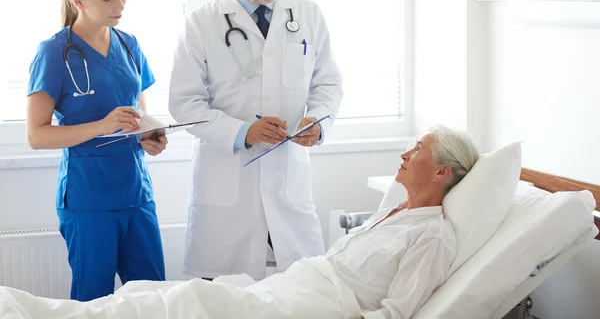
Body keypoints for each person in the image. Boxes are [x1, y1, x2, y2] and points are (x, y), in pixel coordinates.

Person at [0, 125, 479, 319]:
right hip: (298, 284)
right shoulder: (393, 211)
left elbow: (396, 313)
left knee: (188, 300)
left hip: (316, 307)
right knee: (152, 294)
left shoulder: (432, 234)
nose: (404, 152)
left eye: (417, 150)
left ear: (442, 172)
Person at [169, 0, 344, 280]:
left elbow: (327, 82)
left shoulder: (307, 14)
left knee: (303, 289)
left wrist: (319, 120)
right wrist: (243, 132)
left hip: (287, 179)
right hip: (228, 184)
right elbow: (184, 105)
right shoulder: (202, 23)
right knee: (226, 297)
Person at [26, 0, 168, 301]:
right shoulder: (54, 53)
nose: (120, 5)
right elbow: (36, 135)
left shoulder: (129, 44)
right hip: (88, 198)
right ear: (78, 0)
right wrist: (100, 126)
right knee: (93, 300)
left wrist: (150, 136)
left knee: (153, 297)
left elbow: (139, 116)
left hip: (136, 193)